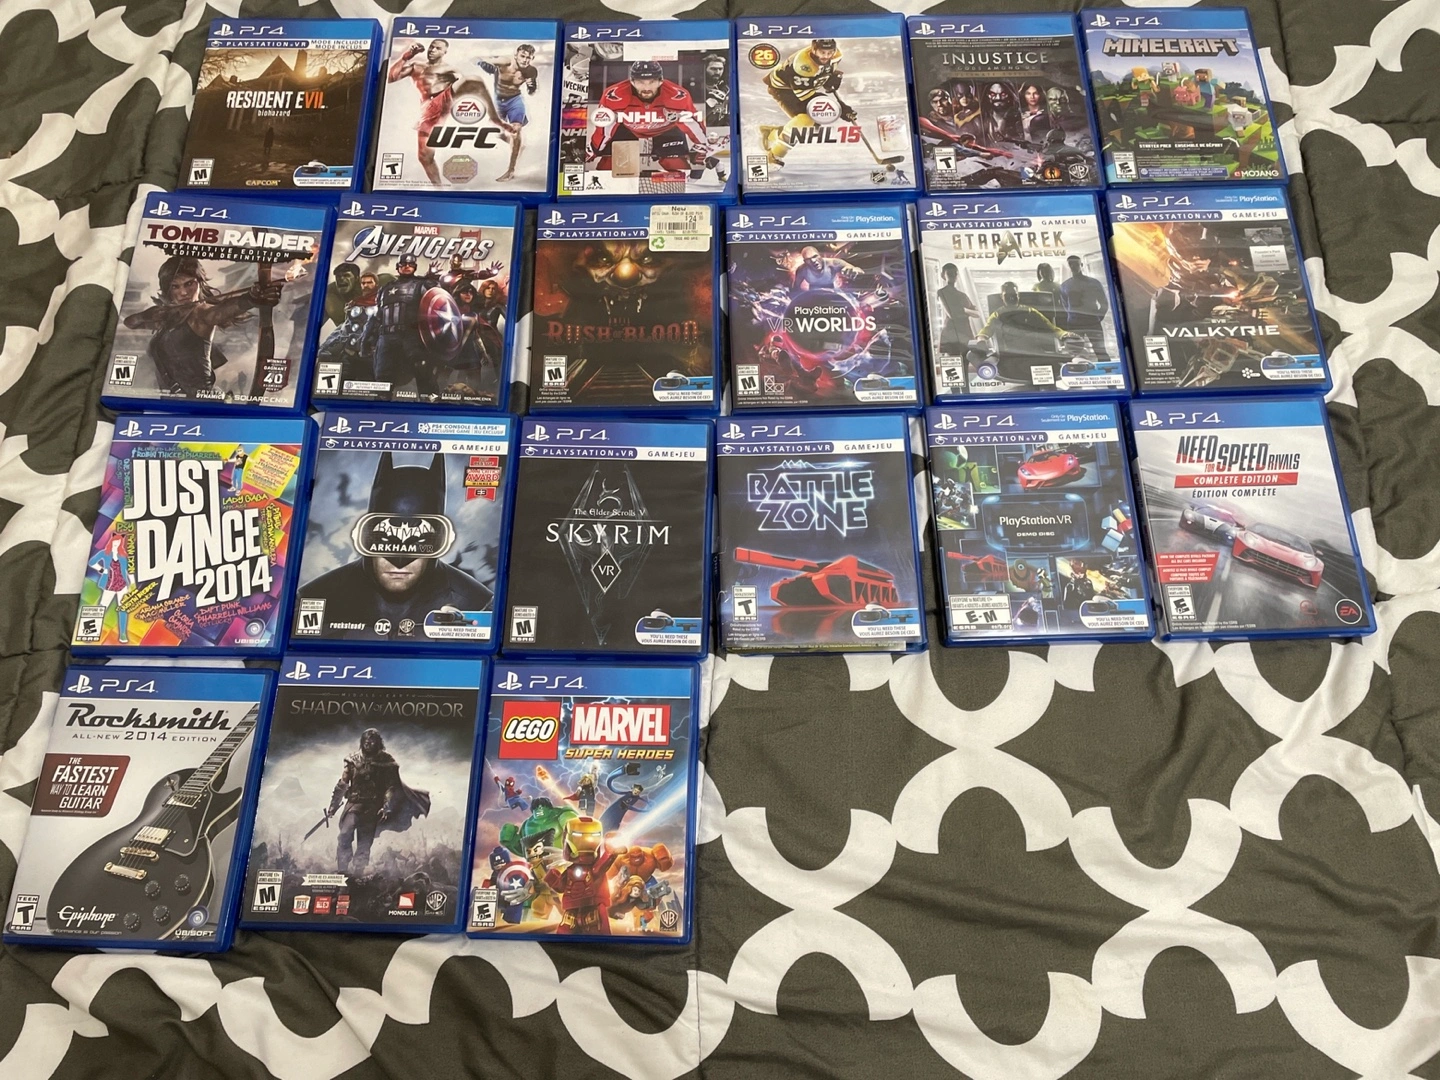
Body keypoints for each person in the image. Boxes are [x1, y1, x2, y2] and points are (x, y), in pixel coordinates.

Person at [296, 452, 493, 638]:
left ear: (440, 539)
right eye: (384, 540)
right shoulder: (313, 599)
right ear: (365, 535)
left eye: (419, 541)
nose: (399, 562)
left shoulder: (477, 605)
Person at [122, 255, 282, 398]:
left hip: (200, 400)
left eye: (189, 284)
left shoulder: (201, 313)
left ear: (199, 282)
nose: (183, 292)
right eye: (175, 286)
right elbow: (130, 323)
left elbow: (220, 312)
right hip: (173, 401)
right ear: (167, 289)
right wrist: (146, 315)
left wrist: (251, 298)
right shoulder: (168, 316)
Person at [388, 38, 512, 186]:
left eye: (438, 48)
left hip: (444, 99)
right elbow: (390, 78)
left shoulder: (449, 69)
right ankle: (438, 189)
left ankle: (495, 120)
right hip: (427, 110)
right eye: (431, 47)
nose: (432, 50)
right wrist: (406, 56)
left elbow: (464, 84)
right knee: (424, 156)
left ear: (444, 52)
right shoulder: (416, 67)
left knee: (474, 80)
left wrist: (474, 108)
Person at [326, 728, 430, 876]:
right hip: (354, 804)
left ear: (378, 743)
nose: (368, 743)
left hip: (373, 807)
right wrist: (333, 805)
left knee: (364, 841)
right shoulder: (352, 760)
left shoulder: (386, 761)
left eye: (372, 740)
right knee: (344, 833)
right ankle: (342, 869)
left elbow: (390, 787)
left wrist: (386, 806)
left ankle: (358, 873)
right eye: (366, 740)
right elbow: (343, 784)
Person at [589, 60, 710, 175]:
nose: (646, 88)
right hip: (627, 129)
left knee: (678, 168)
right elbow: (605, 127)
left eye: (652, 82)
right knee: (609, 168)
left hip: (667, 130)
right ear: (632, 81)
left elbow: (692, 122)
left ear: (661, 81)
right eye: (641, 82)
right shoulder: (614, 95)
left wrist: (702, 145)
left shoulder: (676, 95)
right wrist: (594, 149)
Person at [760, 38, 850, 167]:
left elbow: (825, 69)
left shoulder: (837, 55)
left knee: (813, 124)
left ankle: (771, 134)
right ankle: (774, 155)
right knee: (806, 120)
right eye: (822, 52)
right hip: (783, 89)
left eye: (829, 52)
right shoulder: (803, 66)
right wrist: (840, 108)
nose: (826, 56)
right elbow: (806, 98)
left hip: (802, 87)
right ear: (814, 50)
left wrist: (830, 77)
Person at [477, 43, 539, 182]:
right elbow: (484, 60)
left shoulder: (531, 71)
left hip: (515, 101)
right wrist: (482, 64)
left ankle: (511, 170)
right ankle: (517, 144)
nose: (525, 60)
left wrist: (532, 87)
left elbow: (532, 91)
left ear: (532, 58)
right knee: (496, 132)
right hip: (498, 102)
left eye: (528, 58)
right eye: (522, 56)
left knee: (516, 130)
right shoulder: (505, 62)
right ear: (516, 55)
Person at [1060, 254, 1111, 358]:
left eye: (1075, 264)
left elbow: (1104, 303)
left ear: (1081, 265)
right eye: (1070, 264)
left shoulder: (1093, 283)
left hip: (1091, 321)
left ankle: (1107, 367)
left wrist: (1098, 317)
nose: (1073, 266)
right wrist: (1071, 316)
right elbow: (1065, 305)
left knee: (1100, 352)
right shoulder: (1064, 286)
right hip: (1075, 324)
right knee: (1075, 352)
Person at [935, 263, 979, 352]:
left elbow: (977, 314)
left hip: (965, 331)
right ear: (943, 275)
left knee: (967, 357)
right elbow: (952, 314)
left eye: (955, 273)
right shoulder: (942, 292)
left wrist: (963, 310)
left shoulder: (963, 295)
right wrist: (967, 311)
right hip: (951, 333)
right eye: (950, 273)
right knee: (954, 358)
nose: (953, 276)